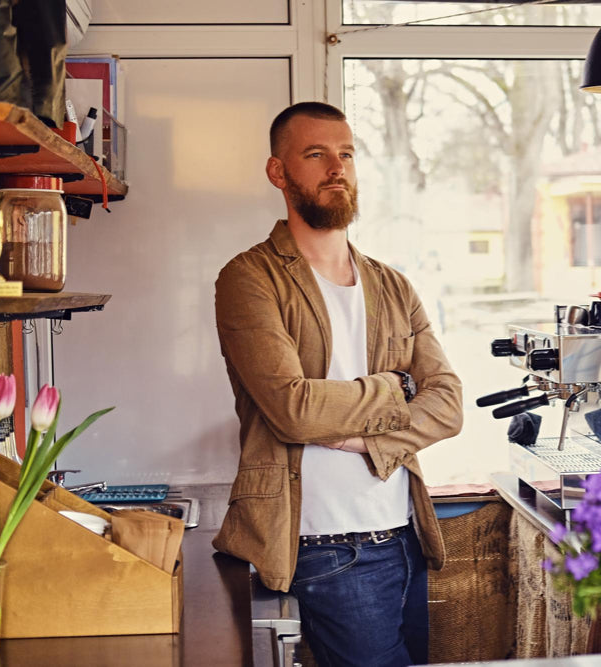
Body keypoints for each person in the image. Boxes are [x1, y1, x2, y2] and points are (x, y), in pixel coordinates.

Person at [212, 101, 463, 667]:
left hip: (406, 535)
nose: (337, 168)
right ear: (279, 172)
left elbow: (448, 404)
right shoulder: (249, 278)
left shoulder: (393, 285)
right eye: (317, 154)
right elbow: (294, 410)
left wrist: (365, 439)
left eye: (346, 154)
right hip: (325, 547)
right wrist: (396, 388)